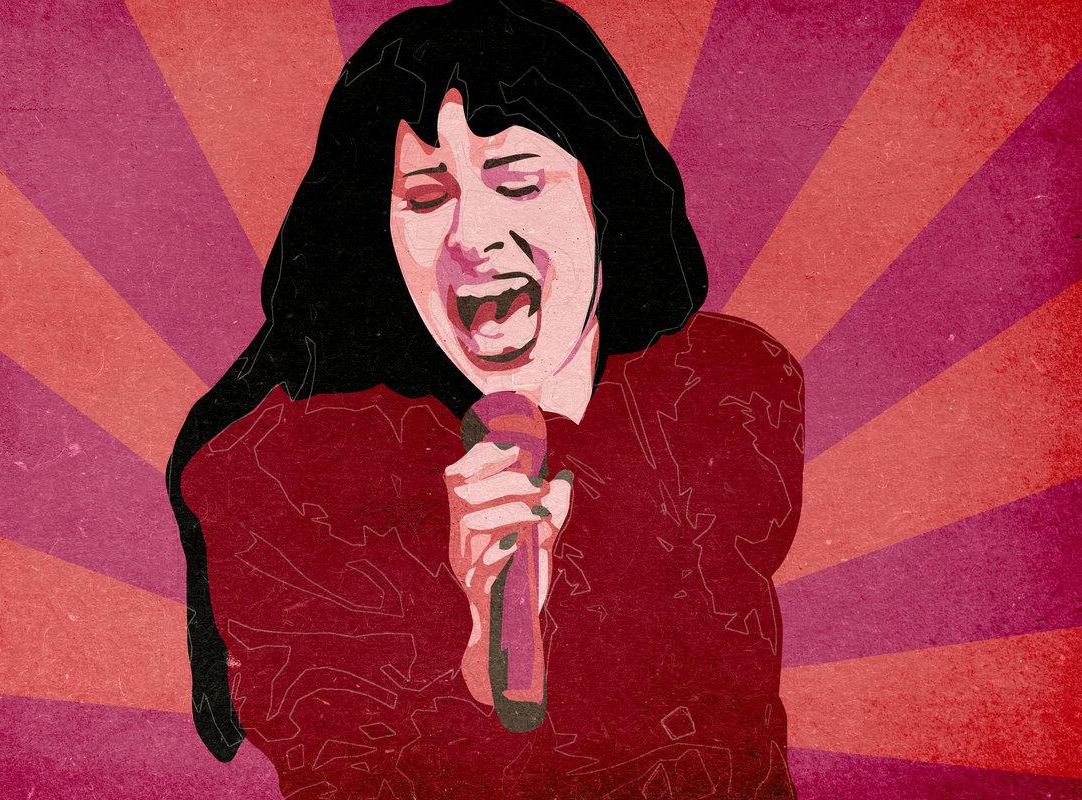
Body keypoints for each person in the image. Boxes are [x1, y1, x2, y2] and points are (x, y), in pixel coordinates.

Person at [168, 1, 803, 797]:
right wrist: (478, 647)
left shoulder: (729, 393)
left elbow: (724, 721)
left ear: (603, 194)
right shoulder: (279, 478)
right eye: (425, 195)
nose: (472, 239)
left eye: (517, 182)